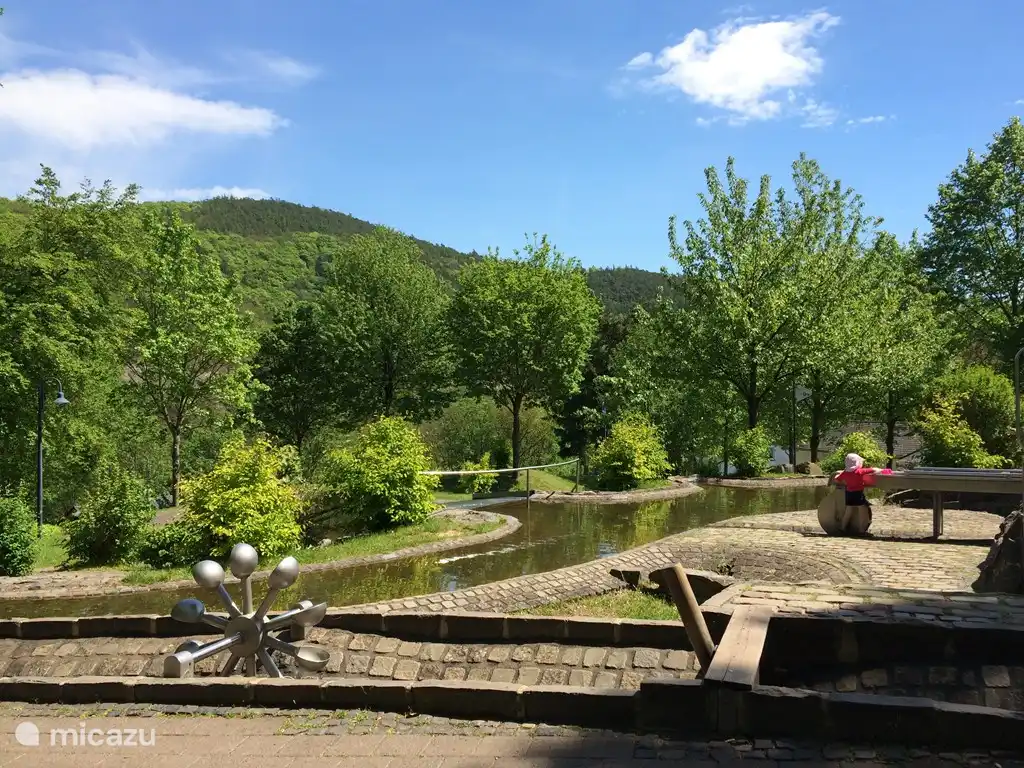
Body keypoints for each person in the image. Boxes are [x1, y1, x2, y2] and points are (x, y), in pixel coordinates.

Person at [832, 453, 881, 534]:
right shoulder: (859, 471)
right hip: (858, 494)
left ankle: (842, 527)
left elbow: (836, 479)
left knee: (848, 511)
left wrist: (843, 480)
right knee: (863, 510)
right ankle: (862, 530)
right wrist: (881, 470)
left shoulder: (845, 473)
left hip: (849, 494)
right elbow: (874, 470)